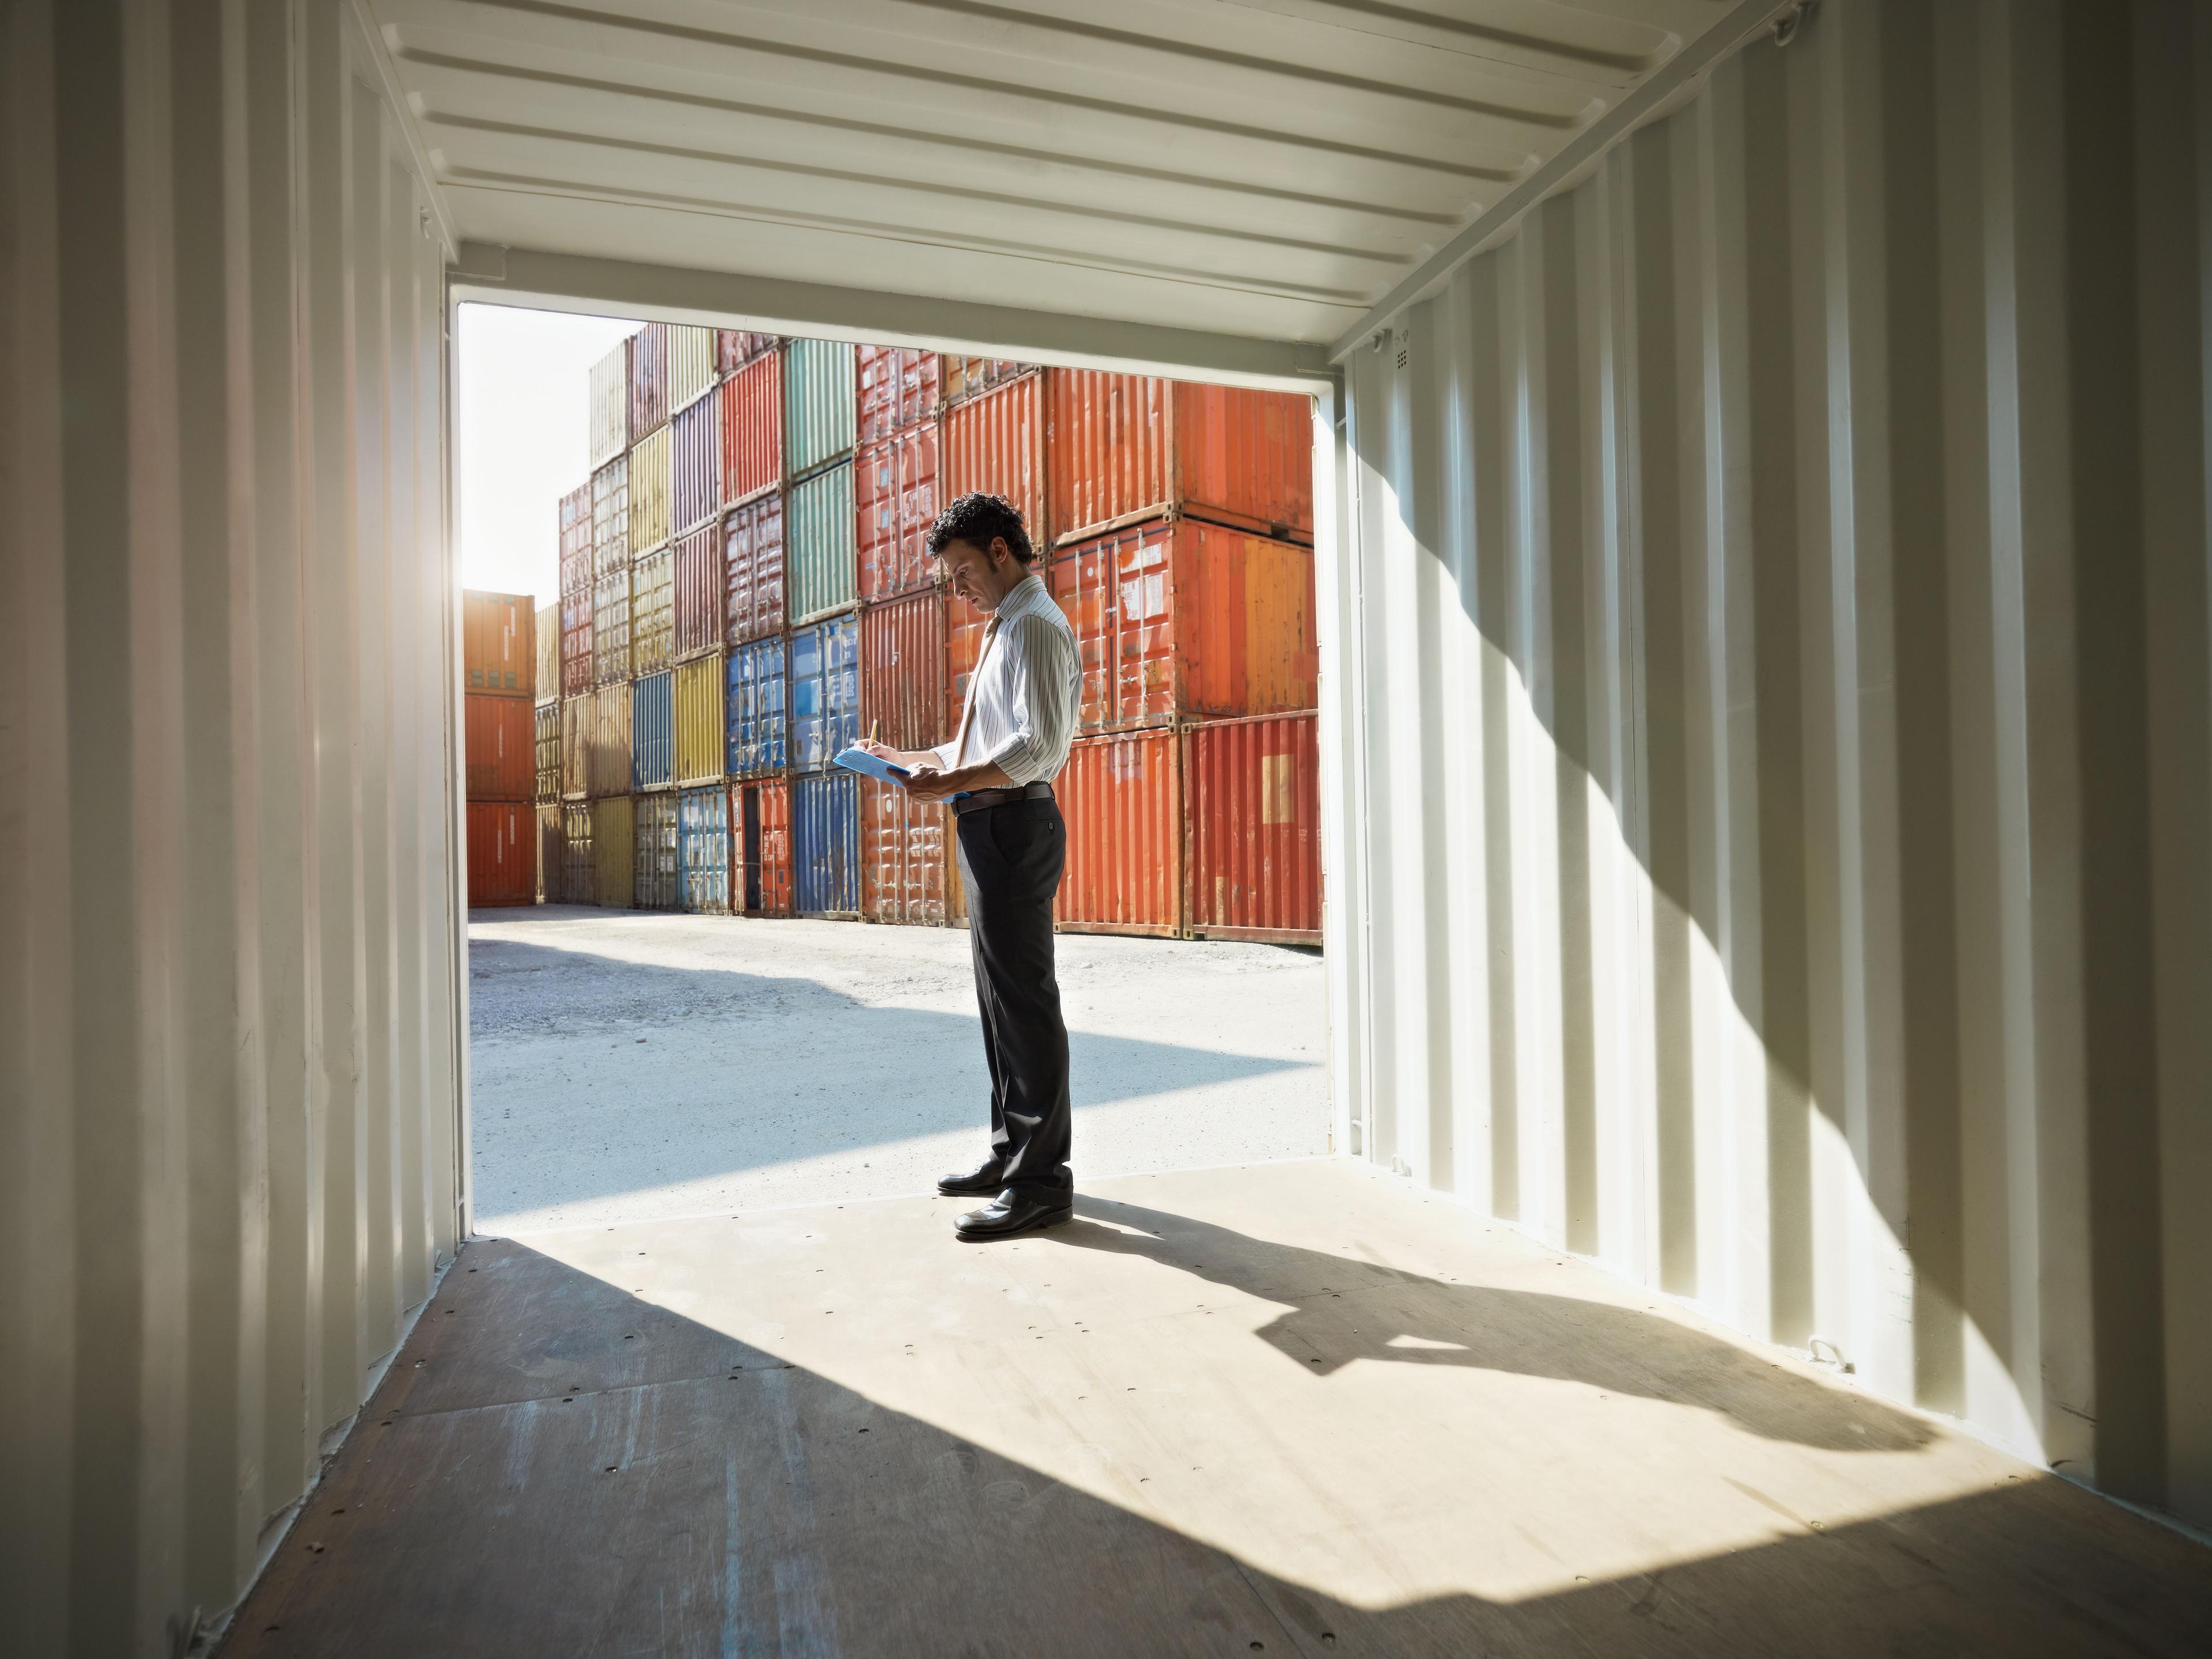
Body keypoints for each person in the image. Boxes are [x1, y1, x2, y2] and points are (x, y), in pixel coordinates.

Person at [862, 493, 1083, 1239]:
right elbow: (976, 752)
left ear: (998, 550)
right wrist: (909, 762)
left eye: (961, 573)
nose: (957, 592)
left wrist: (950, 782)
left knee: (1025, 1006)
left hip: (1017, 828)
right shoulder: (1002, 630)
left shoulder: (1036, 627)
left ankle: (1042, 1181)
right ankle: (1010, 1155)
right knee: (997, 1008)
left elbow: (1037, 748)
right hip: (988, 829)